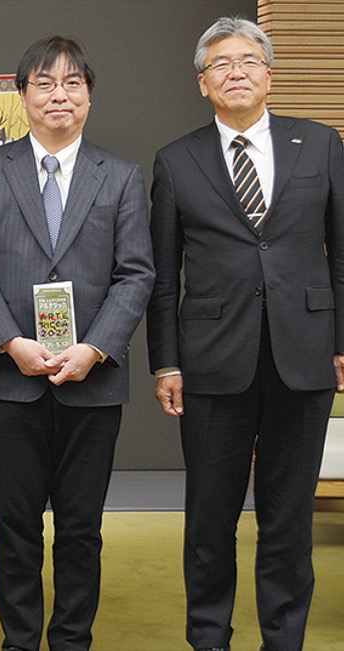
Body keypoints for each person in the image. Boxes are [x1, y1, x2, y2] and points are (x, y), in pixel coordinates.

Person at [147, 17, 344, 651]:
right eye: (221, 64)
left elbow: (342, 253)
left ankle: (283, 639)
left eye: (248, 61)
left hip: (305, 355)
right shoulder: (176, 160)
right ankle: (209, 637)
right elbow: (161, 274)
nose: (236, 71)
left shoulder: (321, 144)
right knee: (210, 518)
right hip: (210, 361)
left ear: (269, 74)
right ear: (203, 84)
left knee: (288, 517)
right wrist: (165, 363)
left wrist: (341, 341)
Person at [0, 36, 155, 651]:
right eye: (44, 83)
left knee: (81, 528)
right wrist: (10, 341)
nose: (58, 95)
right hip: (10, 378)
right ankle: (19, 640)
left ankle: (72, 639)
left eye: (72, 83)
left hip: (90, 380)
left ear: (88, 95)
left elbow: (136, 273)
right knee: (13, 526)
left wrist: (93, 348)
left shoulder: (120, 176)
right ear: (23, 96)